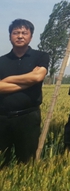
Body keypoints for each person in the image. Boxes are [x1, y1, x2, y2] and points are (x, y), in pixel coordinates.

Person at [0, 19, 49, 164]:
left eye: (24, 33)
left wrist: (7, 80)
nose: (20, 36)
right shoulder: (1, 61)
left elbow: (38, 76)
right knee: (2, 162)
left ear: (31, 37)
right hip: (2, 118)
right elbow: (34, 78)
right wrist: (29, 82)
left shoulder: (41, 56)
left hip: (28, 117)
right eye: (16, 33)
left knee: (27, 161)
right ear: (10, 36)